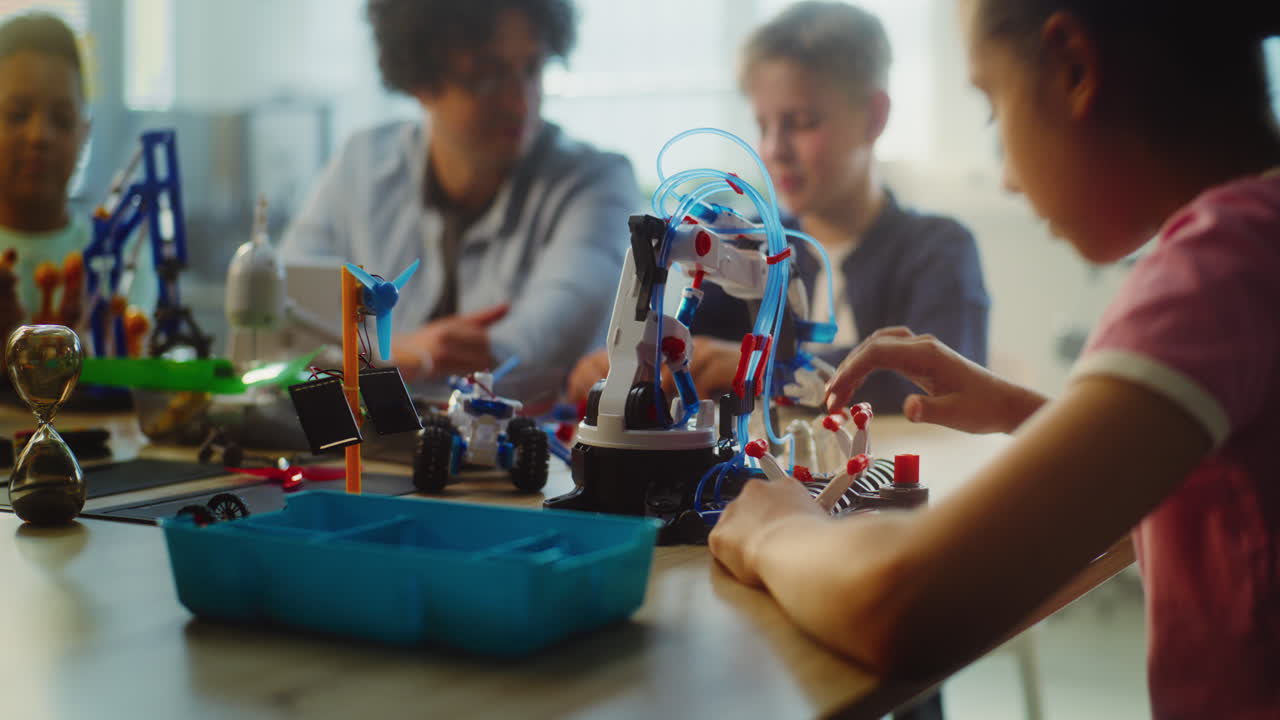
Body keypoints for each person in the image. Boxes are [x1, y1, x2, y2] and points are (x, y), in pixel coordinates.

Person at [709, 1, 1280, 717]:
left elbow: (904, 603)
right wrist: (1025, 412)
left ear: (1074, 67)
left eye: (990, 105)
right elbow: (1219, 476)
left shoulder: (1219, 270)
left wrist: (774, 527)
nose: (1006, 177)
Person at [566, 1, 989, 414]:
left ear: (874, 117)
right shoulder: (748, 247)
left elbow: (936, 384)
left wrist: (762, 368)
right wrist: (632, 365)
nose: (773, 150)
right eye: (763, 125)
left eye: (802, 122)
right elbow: (691, 351)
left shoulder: (939, 251)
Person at [281, 0, 638, 405]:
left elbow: (542, 335)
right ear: (420, 80)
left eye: (532, 69)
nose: (521, 102)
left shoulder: (597, 182)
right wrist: (398, 350)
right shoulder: (361, 165)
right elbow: (286, 317)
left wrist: (386, 352)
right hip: (367, 448)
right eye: (486, 77)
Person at [0, 13, 90, 344]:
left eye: (62, 120)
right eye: (17, 115)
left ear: (85, 134)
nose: (39, 136)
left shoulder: (120, 263)